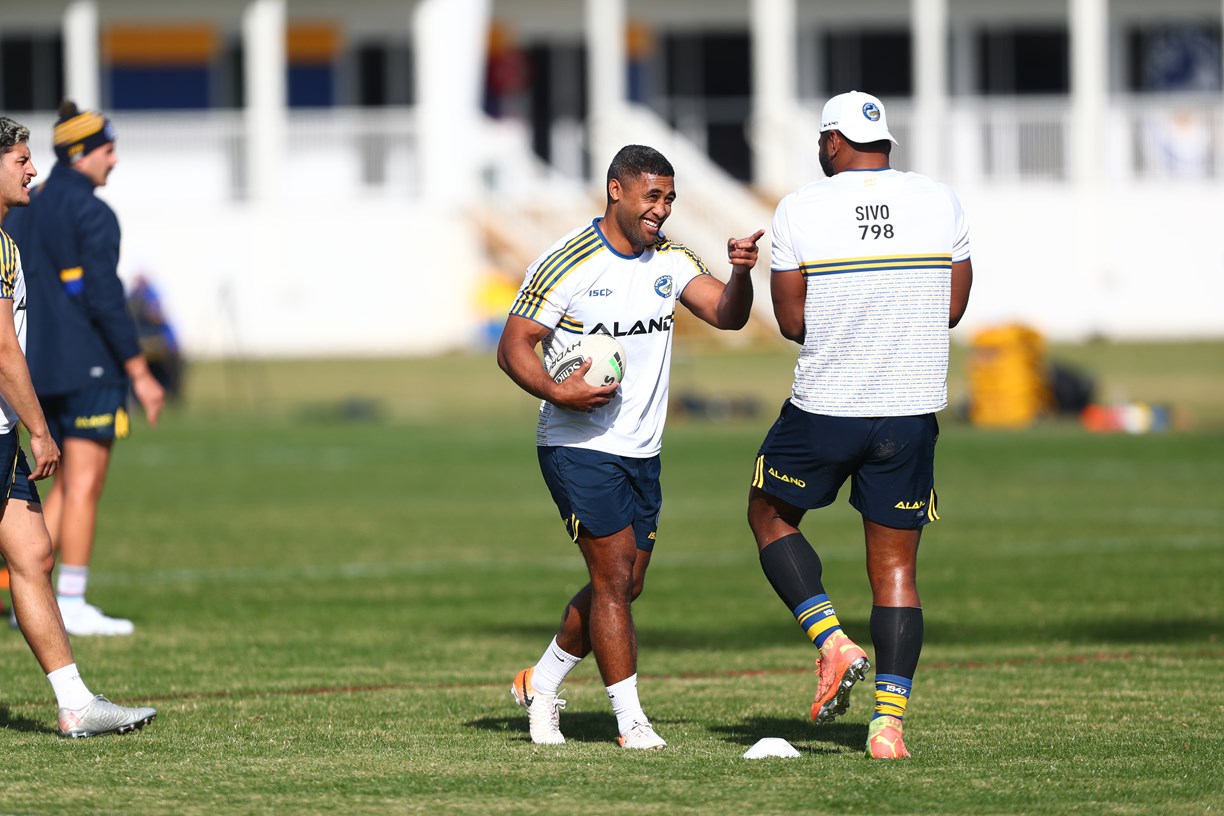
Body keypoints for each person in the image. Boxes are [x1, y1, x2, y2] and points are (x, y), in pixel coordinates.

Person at [498, 144, 763, 749]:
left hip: (643, 449)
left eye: (669, 199)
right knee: (614, 575)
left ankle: (541, 683)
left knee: (624, 582)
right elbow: (514, 345)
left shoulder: (671, 258)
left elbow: (727, 315)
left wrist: (742, 273)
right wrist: (558, 392)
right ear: (616, 190)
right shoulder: (567, 261)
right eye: (652, 197)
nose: (661, 210)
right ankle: (631, 722)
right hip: (576, 443)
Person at [746, 91, 973, 760]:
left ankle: (832, 641)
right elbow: (952, 308)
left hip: (827, 404)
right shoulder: (940, 200)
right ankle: (888, 727)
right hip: (911, 408)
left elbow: (791, 322)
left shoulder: (799, 207)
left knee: (768, 513)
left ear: (833, 142)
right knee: (896, 570)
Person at [0, 115, 156, 737]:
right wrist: (39, 429)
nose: (32, 170)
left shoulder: (12, 236)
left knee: (34, 553)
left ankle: (75, 704)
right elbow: (4, 350)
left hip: (5, 429)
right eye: (20, 160)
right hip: (22, 417)